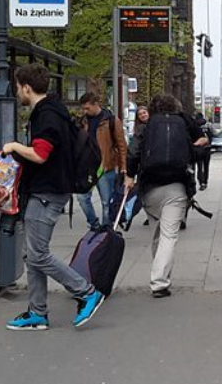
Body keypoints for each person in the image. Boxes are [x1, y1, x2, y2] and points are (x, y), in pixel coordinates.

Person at [2, 64, 104, 330]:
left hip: (47, 192)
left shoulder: (46, 116)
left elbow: (40, 154)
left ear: (26, 87)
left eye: (17, 86)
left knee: (38, 255)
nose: (16, 91)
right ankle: (37, 312)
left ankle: (86, 292)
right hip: (45, 190)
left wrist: (13, 147)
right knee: (32, 253)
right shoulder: (51, 110)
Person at [125, 94, 208, 298]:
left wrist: (129, 176)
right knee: (169, 236)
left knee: (157, 234)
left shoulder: (147, 127)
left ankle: (161, 275)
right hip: (177, 187)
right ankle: (159, 282)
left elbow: (133, 153)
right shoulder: (183, 123)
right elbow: (203, 142)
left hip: (150, 187)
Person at [76, 92, 128, 230]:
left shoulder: (111, 120)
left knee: (107, 201)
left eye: (87, 108)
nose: (85, 111)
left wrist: (123, 167)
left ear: (96, 105)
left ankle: (106, 227)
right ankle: (94, 223)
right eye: (83, 108)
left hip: (105, 165)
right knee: (82, 198)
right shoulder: (83, 121)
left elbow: (121, 145)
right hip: (87, 166)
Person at [193, 112, 214, 190]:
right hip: (207, 149)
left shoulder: (195, 126)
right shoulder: (209, 125)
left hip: (199, 149)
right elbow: (212, 135)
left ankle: (201, 181)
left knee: (199, 166)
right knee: (206, 166)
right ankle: (205, 181)